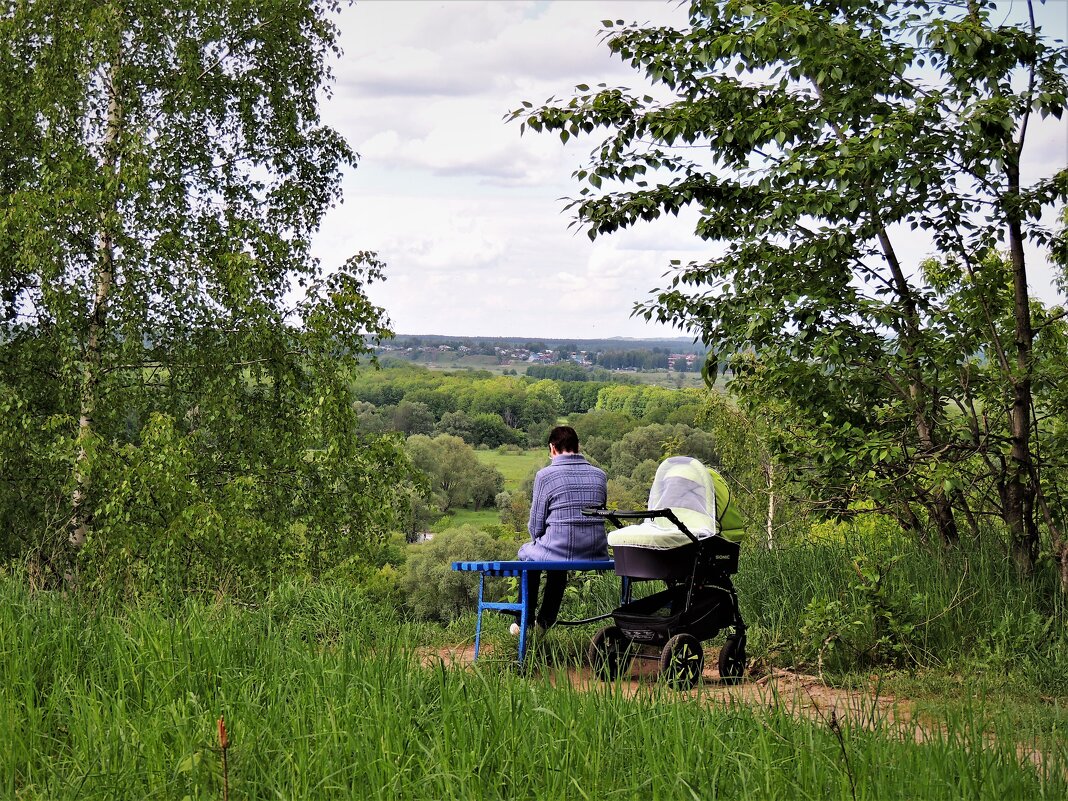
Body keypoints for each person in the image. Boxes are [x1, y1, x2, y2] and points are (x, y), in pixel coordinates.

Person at [512, 425, 607, 634]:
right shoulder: (600, 475)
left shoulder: (545, 475)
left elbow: (536, 526)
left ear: (552, 448)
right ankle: (544, 622)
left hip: (561, 548)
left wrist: (538, 540)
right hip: (595, 551)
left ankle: (524, 621)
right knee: (557, 559)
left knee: (530, 556)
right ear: (578, 447)